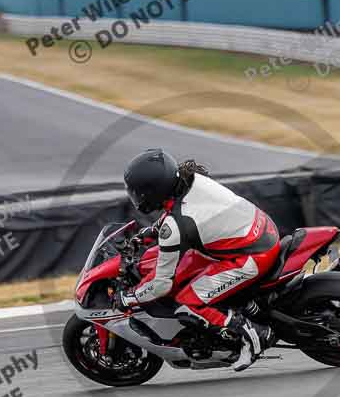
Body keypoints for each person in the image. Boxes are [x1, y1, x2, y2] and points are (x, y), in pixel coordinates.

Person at [118, 149, 280, 371]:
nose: (136, 198)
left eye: (138, 193)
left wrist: (128, 298)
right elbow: (184, 214)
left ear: (153, 190)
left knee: (187, 302)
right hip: (261, 229)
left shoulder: (173, 227)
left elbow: (161, 285)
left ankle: (254, 336)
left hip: (251, 256)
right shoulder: (193, 179)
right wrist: (149, 233)